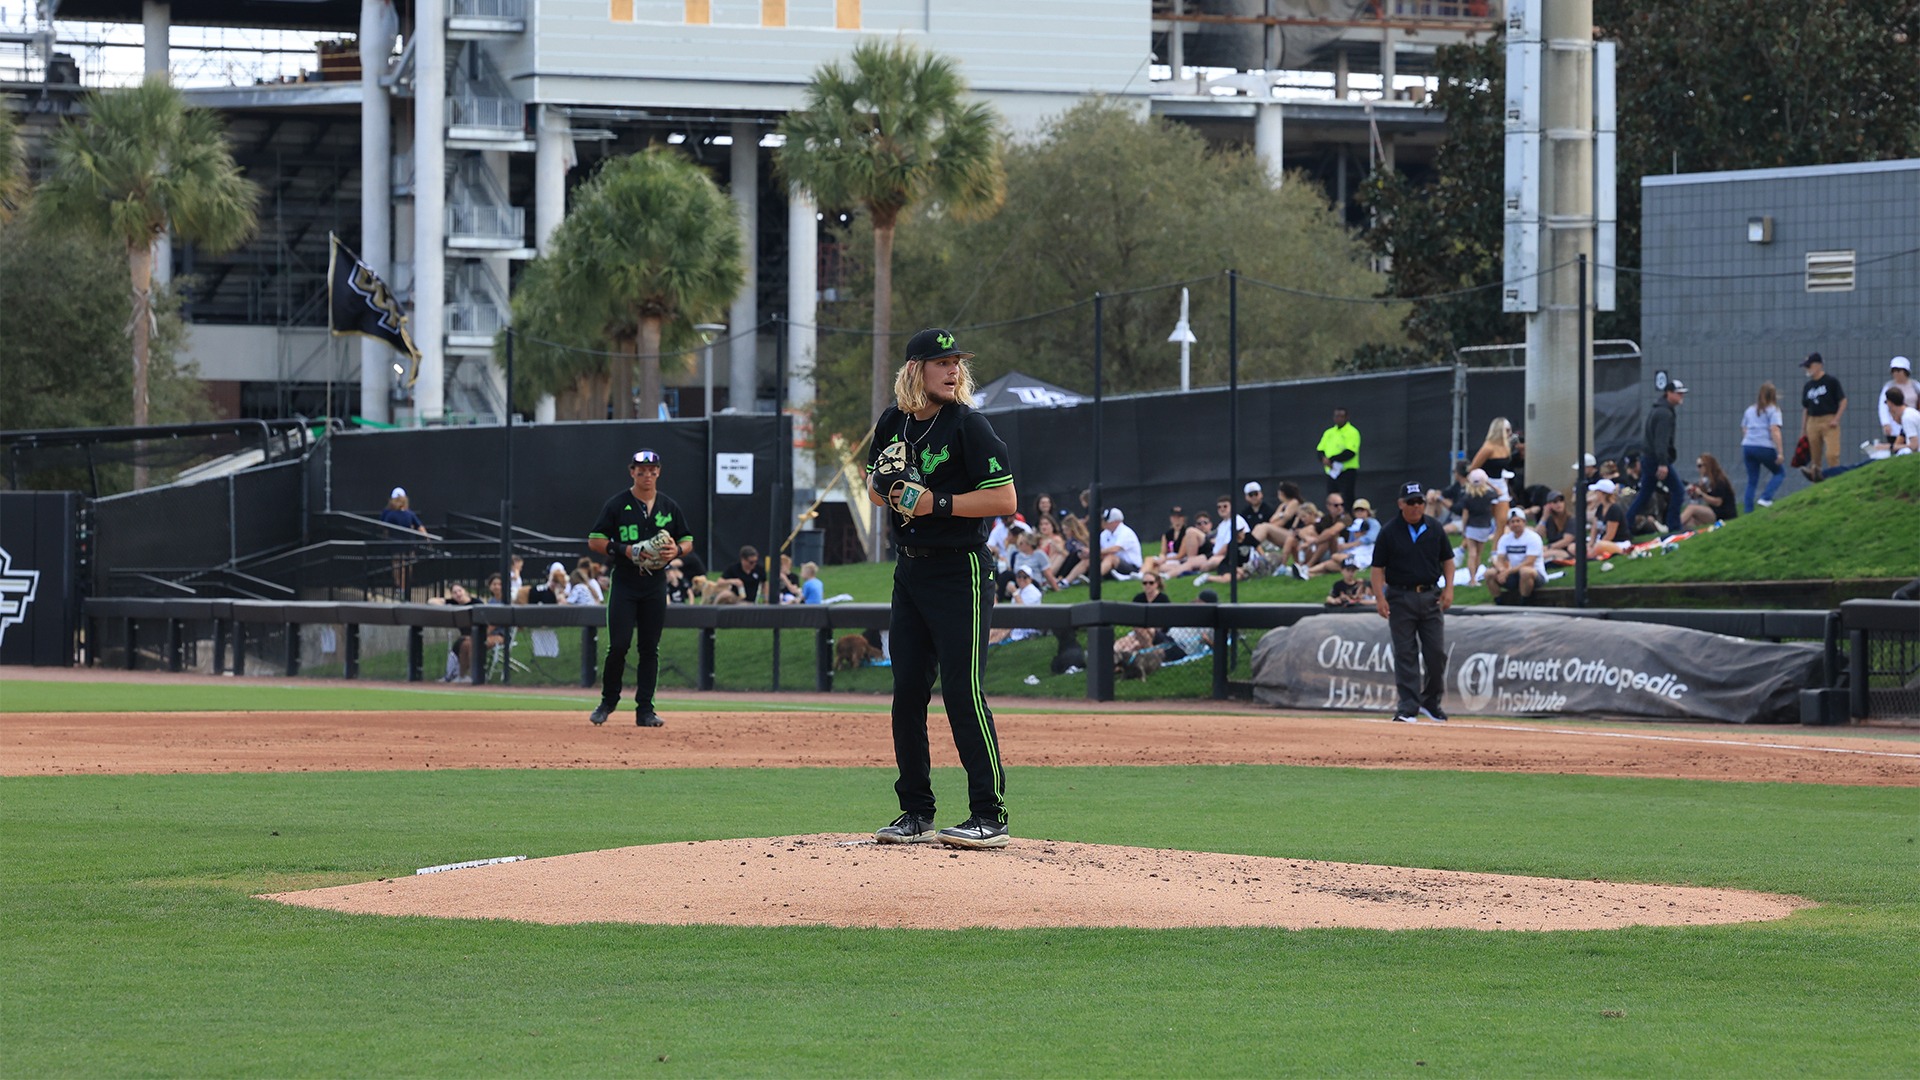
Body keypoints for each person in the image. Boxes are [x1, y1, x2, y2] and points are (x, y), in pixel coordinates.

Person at [865, 326, 1017, 850]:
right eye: (941, 362)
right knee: (907, 690)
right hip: (910, 570)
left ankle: (988, 814)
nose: (953, 370)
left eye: (956, 363)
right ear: (915, 371)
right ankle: (915, 811)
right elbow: (876, 492)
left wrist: (938, 503)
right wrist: (884, 485)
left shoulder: (970, 426)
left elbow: (1005, 501)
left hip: (961, 570)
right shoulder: (893, 422)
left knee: (961, 689)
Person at [586, 448, 693, 728]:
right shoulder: (618, 504)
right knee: (619, 645)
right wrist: (625, 549)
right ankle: (608, 701)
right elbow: (595, 540)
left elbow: (688, 539)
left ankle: (645, 709)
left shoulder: (668, 506)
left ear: (659, 472)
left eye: (652, 470)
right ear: (632, 471)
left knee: (649, 647)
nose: (647, 475)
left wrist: (677, 550)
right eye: (641, 470)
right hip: (626, 580)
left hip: (655, 583)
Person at [1370, 481, 1457, 724]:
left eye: (1420, 501)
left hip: (1431, 596)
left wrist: (1449, 589)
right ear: (1401, 504)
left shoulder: (1434, 528)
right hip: (1400, 596)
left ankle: (1430, 702)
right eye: (1411, 502)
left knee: (1436, 653)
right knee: (1405, 653)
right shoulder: (1389, 531)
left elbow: (1448, 561)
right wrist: (1379, 597)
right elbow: (1377, 568)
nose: (1417, 506)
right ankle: (1408, 706)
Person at [1625, 378, 1688, 536]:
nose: (1681, 396)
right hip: (1656, 460)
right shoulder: (1664, 413)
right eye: (1678, 393)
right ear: (1668, 393)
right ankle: (1674, 526)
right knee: (1678, 491)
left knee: (1645, 494)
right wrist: (1663, 463)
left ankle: (1626, 523)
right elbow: (1661, 441)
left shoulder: (1659, 409)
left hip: (1649, 459)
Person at [1815, 389, 1919, 479]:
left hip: (1909, 456)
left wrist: (1888, 446)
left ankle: (1823, 474)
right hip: (1906, 455)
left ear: (1890, 403)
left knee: (1860, 466)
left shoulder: (1907, 418)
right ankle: (1823, 474)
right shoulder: (1911, 413)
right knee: (1861, 465)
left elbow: (1914, 446)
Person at [1799, 352, 1847, 481]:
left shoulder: (1831, 381)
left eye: (1809, 366)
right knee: (1815, 456)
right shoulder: (1808, 386)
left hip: (1829, 419)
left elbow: (1843, 401)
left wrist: (1836, 418)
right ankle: (1817, 481)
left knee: (1832, 454)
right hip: (1813, 421)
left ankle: (1835, 479)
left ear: (1818, 365)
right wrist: (1803, 429)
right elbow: (1806, 408)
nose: (1807, 369)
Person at [1739, 381, 1787, 511]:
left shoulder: (1750, 410)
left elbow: (1744, 428)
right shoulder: (1773, 410)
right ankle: (1766, 498)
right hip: (1764, 446)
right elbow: (1775, 430)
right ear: (1773, 395)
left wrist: (1749, 440)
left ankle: (1748, 511)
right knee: (1779, 472)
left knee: (1752, 480)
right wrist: (1780, 452)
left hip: (1748, 446)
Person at [1306, 497, 1380, 579]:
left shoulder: (1373, 524)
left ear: (1368, 511)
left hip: (1359, 561)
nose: (1359, 513)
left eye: (1362, 510)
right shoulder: (1355, 523)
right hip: (1352, 556)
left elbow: (1369, 539)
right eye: (1357, 510)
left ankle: (1307, 570)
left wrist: (1347, 547)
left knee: (1335, 557)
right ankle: (1307, 572)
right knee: (1329, 563)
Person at [428, 581, 486, 681]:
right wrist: (446, 605)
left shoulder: (477, 603)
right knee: (461, 645)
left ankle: (473, 676)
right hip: (464, 636)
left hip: (479, 634)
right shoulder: (454, 603)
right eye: (454, 592)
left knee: (467, 644)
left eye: (460, 591)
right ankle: (456, 675)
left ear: (465, 591)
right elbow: (431, 601)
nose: (458, 594)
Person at [1485, 508, 1545, 604]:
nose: (1515, 524)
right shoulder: (1505, 539)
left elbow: (1529, 562)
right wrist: (1501, 570)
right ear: (1508, 524)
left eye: (1518, 521)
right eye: (1512, 522)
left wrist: (1507, 572)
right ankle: (1499, 601)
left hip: (1534, 574)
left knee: (1525, 571)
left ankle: (1525, 601)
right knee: (1489, 573)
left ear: (1524, 522)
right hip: (1513, 574)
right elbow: (1500, 559)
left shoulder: (1533, 538)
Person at [379, 486, 429, 597]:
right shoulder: (391, 514)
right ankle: (401, 588)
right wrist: (426, 538)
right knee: (400, 567)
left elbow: (419, 526)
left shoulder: (406, 514)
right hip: (400, 545)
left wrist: (426, 537)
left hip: (404, 545)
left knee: (402, 567)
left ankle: (402, 588)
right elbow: (384, 527)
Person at [1467, 417, 1516, 524]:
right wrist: (1489, 485)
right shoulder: (1488, 448)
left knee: (1503, 520)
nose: (1510, 434)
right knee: (1486, 521)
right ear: (1499, 431)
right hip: (1487, 484)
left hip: (1501, 483)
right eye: (1507, 430)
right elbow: (1473, 469)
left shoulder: (1506, 447)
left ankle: (1497, 541)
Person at [1456, 468, 1498, 577]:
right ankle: (1475, 575)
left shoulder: (1467, 497)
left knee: (1472, 553)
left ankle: (1472, 579)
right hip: (1484, 527)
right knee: (1478, 554)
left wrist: (1463, 528)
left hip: (1471, 527)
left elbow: (1465, 515)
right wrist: (1489, 483)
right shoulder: (1488, 495)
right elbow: (1500, 492)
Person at [1316, 406, 1361, 505]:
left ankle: (1348, 518)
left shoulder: (1352, 432)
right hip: (1332, 471)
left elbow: (1350, 452)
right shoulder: (1329, 432)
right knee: (1332, 498)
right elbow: (1320, 449)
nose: (1338, 418)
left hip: (1346, 471)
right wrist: (1324, 459)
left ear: (1346, 417)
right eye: (1336, 416)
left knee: (1347, 498)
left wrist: (1331, 459)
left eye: (1341, 416)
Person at [1680, 453, 1739, 529]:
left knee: (1692, 508)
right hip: (1714, 512)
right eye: (1697, 466)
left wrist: (1701, 494)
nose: (1698, 469)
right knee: (1690, 521)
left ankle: (1673, 526)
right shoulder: (1706, 481)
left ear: (1708, 465)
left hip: (1724, 514)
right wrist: (1695, 493)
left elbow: (1718, 502)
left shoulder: (1719, 480)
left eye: (1700, 466)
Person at [989, 566, 1045, 644]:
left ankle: (989, 644)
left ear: (1030, 579)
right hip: (1015, 622)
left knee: (1002, 629)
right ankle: (987, 643)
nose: (1021, 579)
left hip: (1026, 625)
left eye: (1025, 577)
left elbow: (1023, 611)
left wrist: (1014, 592)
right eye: (1019, 576)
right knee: (994, 628)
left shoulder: (1034, 592)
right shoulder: (1020, 591)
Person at [1587, 478, 1631, 561]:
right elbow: (1594, 528)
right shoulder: (1600, 508)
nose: (1595, 494)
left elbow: (1610, 535)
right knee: (1576, 547)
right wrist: (1591, 544)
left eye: (1597, 492)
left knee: (1599, 546)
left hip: (1617, 543)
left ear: (1603, 494)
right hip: (1601, 541)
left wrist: (1596, 546)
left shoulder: (1614, 509)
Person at [1097, 506, 1143, 580]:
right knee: (1090, 559)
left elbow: (1115, 549)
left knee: (1110, 558)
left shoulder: (1126, 532)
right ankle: (1072, 580)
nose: (1103, 523)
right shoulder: (1104, 534)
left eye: (1106, 521)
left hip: (1132, 567)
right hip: (1114, 564)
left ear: (1116, 522)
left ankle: (1094, 579)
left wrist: (1094, 552)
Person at [1878, 356, 1916, 440]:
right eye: (1894, 371)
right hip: (1895, 426)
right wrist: (1886, 423)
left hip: (1912, 424)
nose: (1896, 373)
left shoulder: (1915, 386)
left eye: (1899, 370)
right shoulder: (1888, 387)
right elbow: (1883, 407)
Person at [1539, 491, 1576, 560]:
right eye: (1555, 502)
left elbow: (1567, 541)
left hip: (1568, 550)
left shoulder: (1571, 519)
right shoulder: (1549, 520)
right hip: (1554, 549)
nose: (1559, 504)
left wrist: (1549, 547)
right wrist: (1544, 517)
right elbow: (1538, 535)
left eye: (1561, 501)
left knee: (1542, 555)